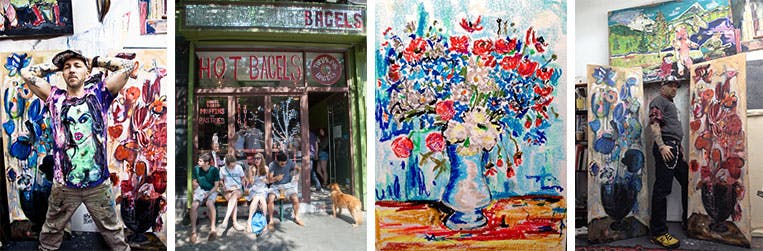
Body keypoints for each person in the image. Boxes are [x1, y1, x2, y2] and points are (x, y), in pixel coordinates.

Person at [20, 49, 138, 250]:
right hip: (64, 185)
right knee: (51, 232)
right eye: (67, 67)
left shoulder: (100, 94)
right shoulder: (54, 97)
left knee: (114, 234)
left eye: (77, 66)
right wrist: (58, 66)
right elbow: (26, 72)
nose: (71, 70)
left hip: (98, 185)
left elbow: (128, 67)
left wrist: (95, 60)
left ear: (87, 73)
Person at [648, 80, 689, 249]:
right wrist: (662, 145)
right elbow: (655, 124)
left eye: (676, 86)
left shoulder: (670, 104)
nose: (674, 88)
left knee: (687, 181)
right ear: (662, 86)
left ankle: (687, 220)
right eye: (671, 85)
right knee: (662, 189)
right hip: (666, 146)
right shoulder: (659, 101)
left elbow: (673, 129)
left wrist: (680, 149)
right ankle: (658, 233)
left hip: (674, 148)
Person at [189, 153, 220, 244]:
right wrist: (196, 185)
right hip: (200, 191)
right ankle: (194, 231)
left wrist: (208, 193)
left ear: (207, 163)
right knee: (194, 206)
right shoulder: (196, 169)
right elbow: (194, 181)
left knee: (209, 203)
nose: (198, 162)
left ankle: (213, 229)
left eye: (200, 161)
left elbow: (216, 185)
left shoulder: (214, 170)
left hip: (211, 191)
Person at [267, 152, 304, 227]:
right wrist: (276, 178)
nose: (284, 165)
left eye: (285, 163)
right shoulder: (272, 165)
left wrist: (297, 175)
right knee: (271, 198)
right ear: (277, 161)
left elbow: (299, 168)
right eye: (282, 164)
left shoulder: (289, 162)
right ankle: (271, 220)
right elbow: (269, 180)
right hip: (275, 186)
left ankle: (296, 217)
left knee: (295, 198)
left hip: (287, 186)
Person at [219, 154, 247, 232]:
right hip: (227, 190)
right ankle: (235, 223)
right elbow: (221, 180)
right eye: (231, 166)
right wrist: (223, 185)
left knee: (234, 195)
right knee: (233, 200)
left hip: (237, 189)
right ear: (227, 164)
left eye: (234, 165)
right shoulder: (222, 169)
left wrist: (242, 183)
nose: (233, 167)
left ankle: (226, 219)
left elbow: (243, 178)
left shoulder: (239, 167)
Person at [245, 152, 269, 233]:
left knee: (262, 200)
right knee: (256, 200)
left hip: (263, 188)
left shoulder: (266, 168)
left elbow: (268, 181)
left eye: (258, 158)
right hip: (254, 188)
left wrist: (265, 180)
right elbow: (251, 182)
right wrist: (254, 173)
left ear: (262, 159)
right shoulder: (251, 168)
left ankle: (264, 222)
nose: (256, 160)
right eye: (255, 158)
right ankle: (249, 221)